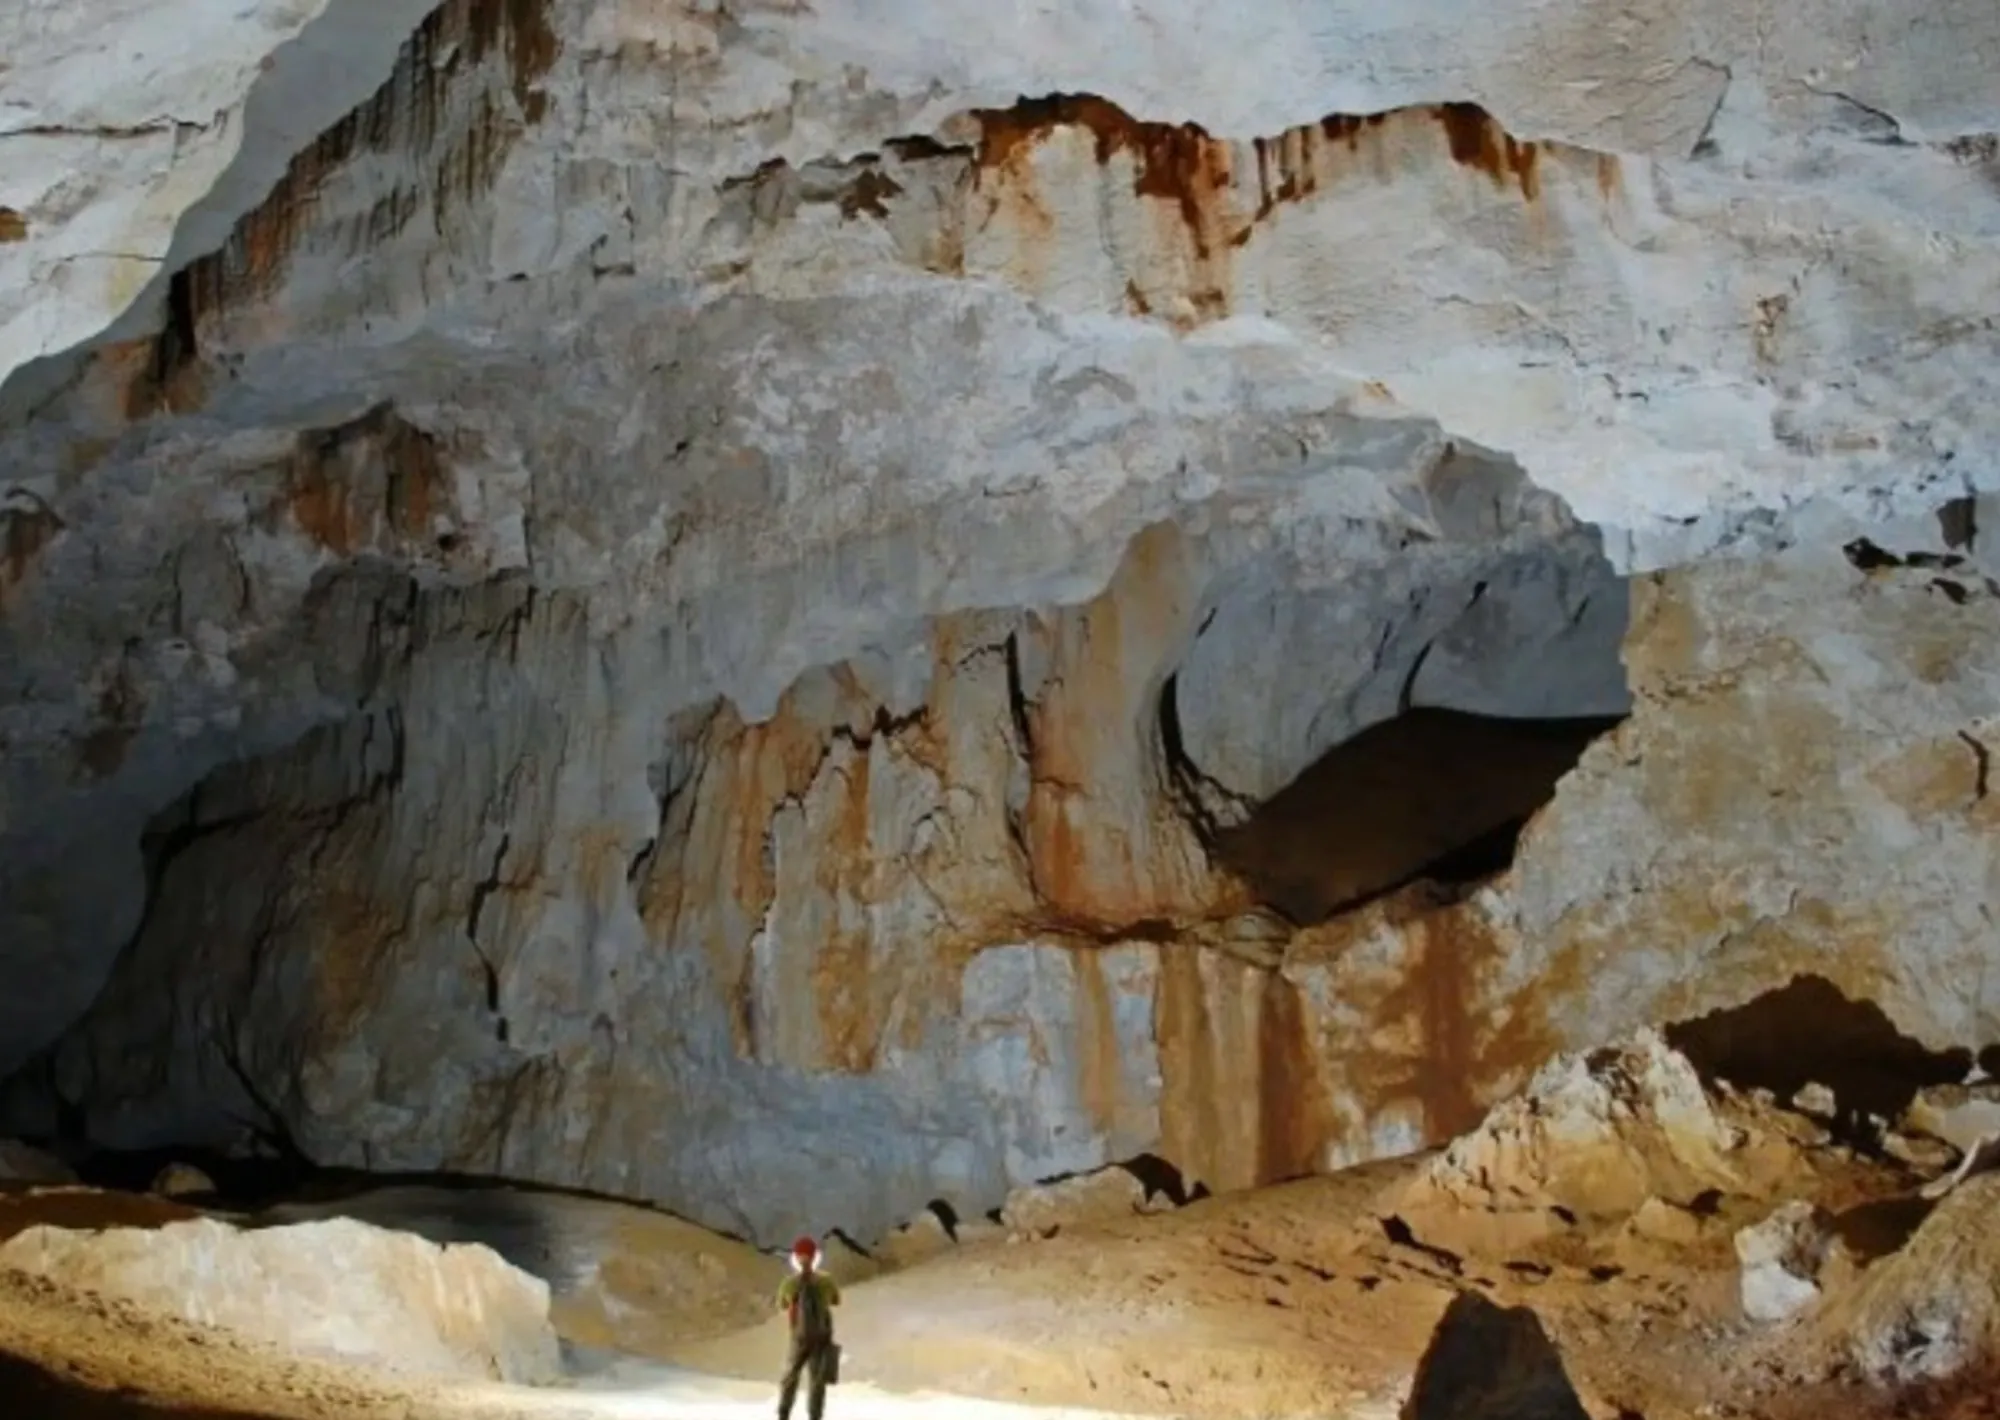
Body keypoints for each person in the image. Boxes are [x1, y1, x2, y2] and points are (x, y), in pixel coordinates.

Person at [775, 1234, 841, 1420]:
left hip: (798, 1337)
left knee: (790, 1377)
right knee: (817, 1381)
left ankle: (784, 1414)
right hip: (821, 1337)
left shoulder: (789, 1283)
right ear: (815, 1257)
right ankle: (815, 1416)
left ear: (795, 1258)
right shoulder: (825, 1281)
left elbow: (781, 1305)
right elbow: (836, 1300)